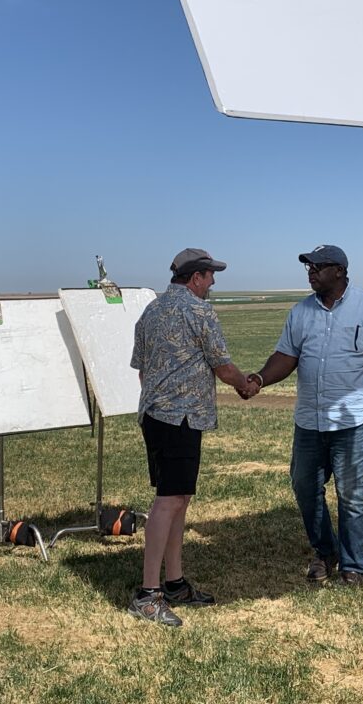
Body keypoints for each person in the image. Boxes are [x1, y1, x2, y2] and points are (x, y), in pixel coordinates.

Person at [249, 245, 363, 587]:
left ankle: (354, 567)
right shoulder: (301, 312)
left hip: (357, 419)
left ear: (339, 270)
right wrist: (261, 378)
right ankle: (325, 551)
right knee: (304, 486)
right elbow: (286, 356)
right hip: (310, 418)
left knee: (352, 493)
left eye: (317, 266)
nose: (310, 271)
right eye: (307, 266)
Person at [127, 248, 252, 626]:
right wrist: (246, 384)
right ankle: (148, 595)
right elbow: (224, 367)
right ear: (195, 277)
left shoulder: (151, 311)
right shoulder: (199, 312)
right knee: (169, 501)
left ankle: (175, 582)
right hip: (180, 419)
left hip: (156, 416)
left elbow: (141, 369)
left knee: (178, 498)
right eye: (210, 276)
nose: (213, 282)